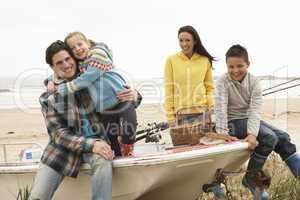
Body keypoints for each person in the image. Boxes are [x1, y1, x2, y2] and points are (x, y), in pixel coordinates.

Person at [29, 40, 140, 200]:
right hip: (61, 152)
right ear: (53, 68)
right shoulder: (50, 96)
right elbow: (58, 135)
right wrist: (91, 144)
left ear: (74, 58)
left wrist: (134, 95)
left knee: (103, 158)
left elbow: (118, 99)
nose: (66, 65)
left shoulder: (92, 80)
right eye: (59, 63)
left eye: (68, 59)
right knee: (37, 197)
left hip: (99, 144)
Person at [214, 44, 300, 199]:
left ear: (248, 64)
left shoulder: (254, 82)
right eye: (230, 66)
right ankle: (250, 179)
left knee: (283, 137)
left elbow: (255, 110)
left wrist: (252, 133)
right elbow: (220, 109)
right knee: (269, 137)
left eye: (239, 66)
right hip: (232, 122)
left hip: (248, 119)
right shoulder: (222, 81)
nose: (235, 70)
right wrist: (222, 134)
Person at [47, 32, 137, 156]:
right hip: (104, 108)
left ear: (88, 43)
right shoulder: (80, 65)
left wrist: (134, 94)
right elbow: (60, 70)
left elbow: (89, 77)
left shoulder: (98, 54)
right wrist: (52, 80)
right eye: (73, 48)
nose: (77, 49)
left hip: (120, 97)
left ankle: (127, 147)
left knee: (128, 125)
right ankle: (117, 153)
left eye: (80, 44)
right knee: (110, 135)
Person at [164, 25, 215, 127]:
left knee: (205, 142)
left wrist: (211, 106)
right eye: (181, 40)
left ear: (195, 41)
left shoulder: (204, 60)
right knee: (183, 142)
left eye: (188, 40)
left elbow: (209, 88)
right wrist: (170, 116)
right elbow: (169, 88)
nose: (184, 44)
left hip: (202, 111)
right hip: (181, 113)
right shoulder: (171, 60)